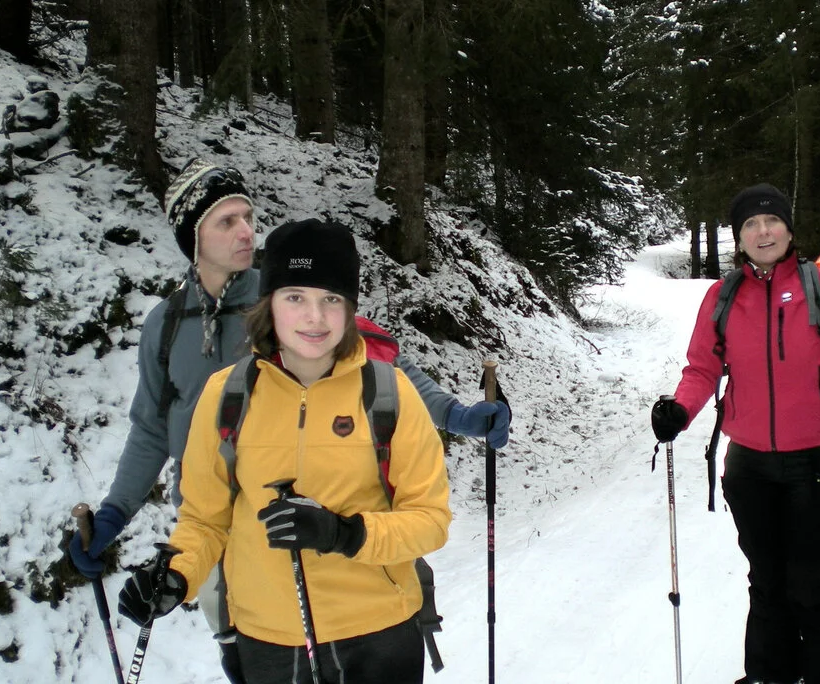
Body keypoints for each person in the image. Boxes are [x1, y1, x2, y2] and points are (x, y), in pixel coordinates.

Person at [68, 159, 509, 682]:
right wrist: (124, 521)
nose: (245, 232)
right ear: (193, 236)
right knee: (240, 655)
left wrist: (457, 415)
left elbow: (384, 364)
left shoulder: (289, 290)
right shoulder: (168, 327)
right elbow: (152, 431)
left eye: (248, 217)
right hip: (236, 558)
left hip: (367, 601)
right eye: (226, 221)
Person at [115, 218, 452, 684]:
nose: (314, 317)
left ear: (349, 308)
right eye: (295, 297)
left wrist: (344, 534)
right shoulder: (226, 395)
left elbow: (430, 521)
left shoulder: (388, 392)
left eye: (331, 299)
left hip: (379, 635)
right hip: (266, 640)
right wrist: (176, 575)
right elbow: (205, 519)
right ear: (268, 303)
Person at [651, 183, 820, 684]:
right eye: (750, 223)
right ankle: (770, 675)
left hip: (811, 464)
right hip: (748, 465)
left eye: (771, 220)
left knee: (809, 584)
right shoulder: (724, 294)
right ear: (739, 237)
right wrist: (678, 412)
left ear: (789, 229)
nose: (762, 230)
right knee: (766, 582)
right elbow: (702, 369)